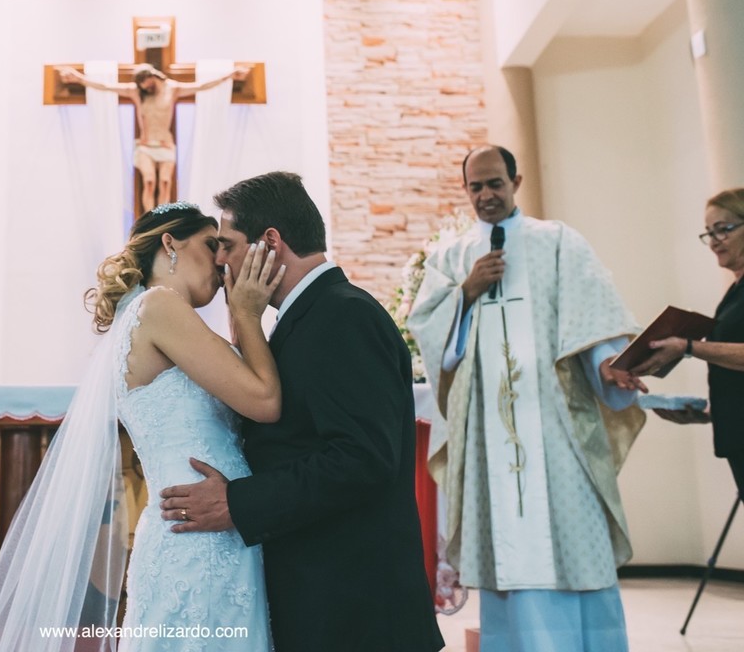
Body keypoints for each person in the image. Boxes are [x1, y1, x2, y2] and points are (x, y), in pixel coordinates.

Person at [0, 201, 285, 652]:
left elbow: (245, 391)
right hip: (199, 542)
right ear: (170, 243)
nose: (222, 260)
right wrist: (247, 314)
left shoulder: (158, 315)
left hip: (205, 527)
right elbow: (264, 401)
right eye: (211, 246)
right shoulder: (159, 307)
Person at [158, 172, 444, 652]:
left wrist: (239, 503)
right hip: (325, 600)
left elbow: (362, 458)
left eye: (227, 244)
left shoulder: (342, 316)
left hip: (355, 611)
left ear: (271, 242)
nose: (220, 260)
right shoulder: (310, 314)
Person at [406, 145, 647, 652]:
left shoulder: (558, 243)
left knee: (574, 547)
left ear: (516, 181)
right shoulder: (451, 258)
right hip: (490, 440)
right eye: (476, 187)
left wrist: (610, 363)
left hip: (557, 429)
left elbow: (595, 320)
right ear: (466, 190)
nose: (486, 195)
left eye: (495, 183)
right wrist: (465, 292)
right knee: (507, 558)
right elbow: (428, 332)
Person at [630, 187, 744, 497]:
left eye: (724, 229)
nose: (714, 241)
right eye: (709, 233)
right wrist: (708, 413)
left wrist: (687, 347)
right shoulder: (734, 293)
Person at [59, 64, 250, 211]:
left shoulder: (172, 88)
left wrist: (229, 75)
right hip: (145, 144)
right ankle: (150, 219)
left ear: (152, 77)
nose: (146, 89)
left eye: (147, 84)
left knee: (165, 182)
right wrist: (78, 78)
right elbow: (106, 86)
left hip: (165, 144)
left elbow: (201, 86)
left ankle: (162, 218)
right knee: (149, 181)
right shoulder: (136, 92)